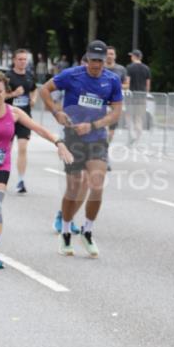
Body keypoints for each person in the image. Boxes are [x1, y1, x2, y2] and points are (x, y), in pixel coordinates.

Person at [0, 73, 72, 269]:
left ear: (6, 92)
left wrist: (58, 142)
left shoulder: (14, 113)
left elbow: (38, 128)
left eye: (0, 91)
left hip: (1, 165)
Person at [39, 39, 123, 258]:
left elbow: (116, 113)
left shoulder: (112, 80)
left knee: (96, 185)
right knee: (74, 188)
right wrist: (56, 112)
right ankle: (66, 231)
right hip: (73, 138)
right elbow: (45, 91)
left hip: (97, 138)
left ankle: (87, 230)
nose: (97, 65)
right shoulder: (72, 75)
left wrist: (94, 125)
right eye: (93, 60)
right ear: (86, 58)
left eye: (101, 61)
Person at [6, 48, 37, 194]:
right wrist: (13, 94)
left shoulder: (30, 76)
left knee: (23, 148)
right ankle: (1, 177)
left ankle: (21, 180)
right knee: (6, 150)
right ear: (14, 60)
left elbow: (34, 89)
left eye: (25, 59)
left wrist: (34, 98)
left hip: (25, 117)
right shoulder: (7, 77)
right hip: (9, 118)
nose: (23, 62)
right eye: (20, 59)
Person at [104, 45, 129, 148]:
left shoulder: (121, 69)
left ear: (115, 56)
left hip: (115, 103)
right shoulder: (100, 68)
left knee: (111, 131)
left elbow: (127, 85)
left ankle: (106, 147)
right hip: (102, 102)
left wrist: (115, 85)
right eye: (107, 54)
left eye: (111, 54)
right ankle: (101, 148)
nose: (109, 56)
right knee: (103, 126)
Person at [125, 49, 151, 143]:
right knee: (138, 118)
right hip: (142, 96)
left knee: (128, 116)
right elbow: (148, 85)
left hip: (131, 96)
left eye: (131, 56)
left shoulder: (129, 67)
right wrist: (146, 94)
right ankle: (138, 138)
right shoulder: (146, 68)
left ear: (134, 57)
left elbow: (127, 83)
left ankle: (131, 134)